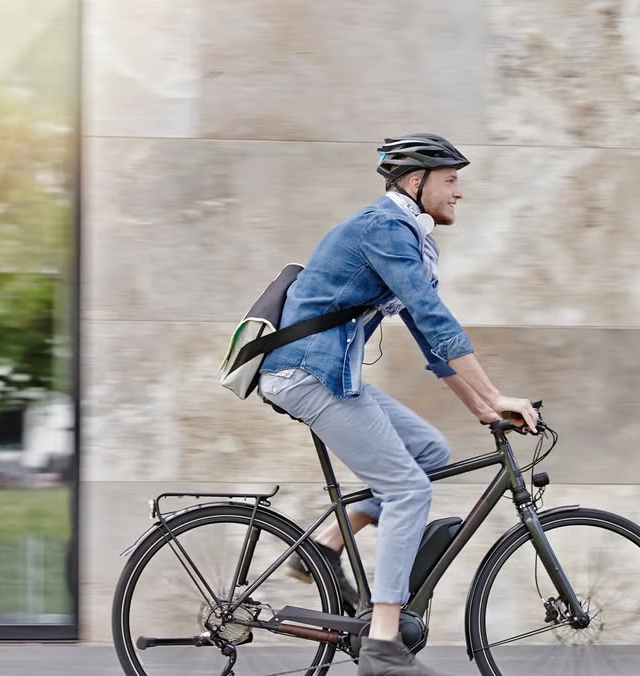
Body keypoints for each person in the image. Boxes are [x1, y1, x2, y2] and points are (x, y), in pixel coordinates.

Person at [256, 133, 539, 676]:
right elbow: (435, 318)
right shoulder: (384, 228)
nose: (459, 192)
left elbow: (430, 341)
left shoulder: (404, 235)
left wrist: (482, 407)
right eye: (451, 180)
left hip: (329, 373)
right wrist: (497, 393)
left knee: (429, 450)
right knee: (407, 488)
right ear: (417, 182)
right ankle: (384, 645)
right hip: (306, 374)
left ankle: (325, 546)